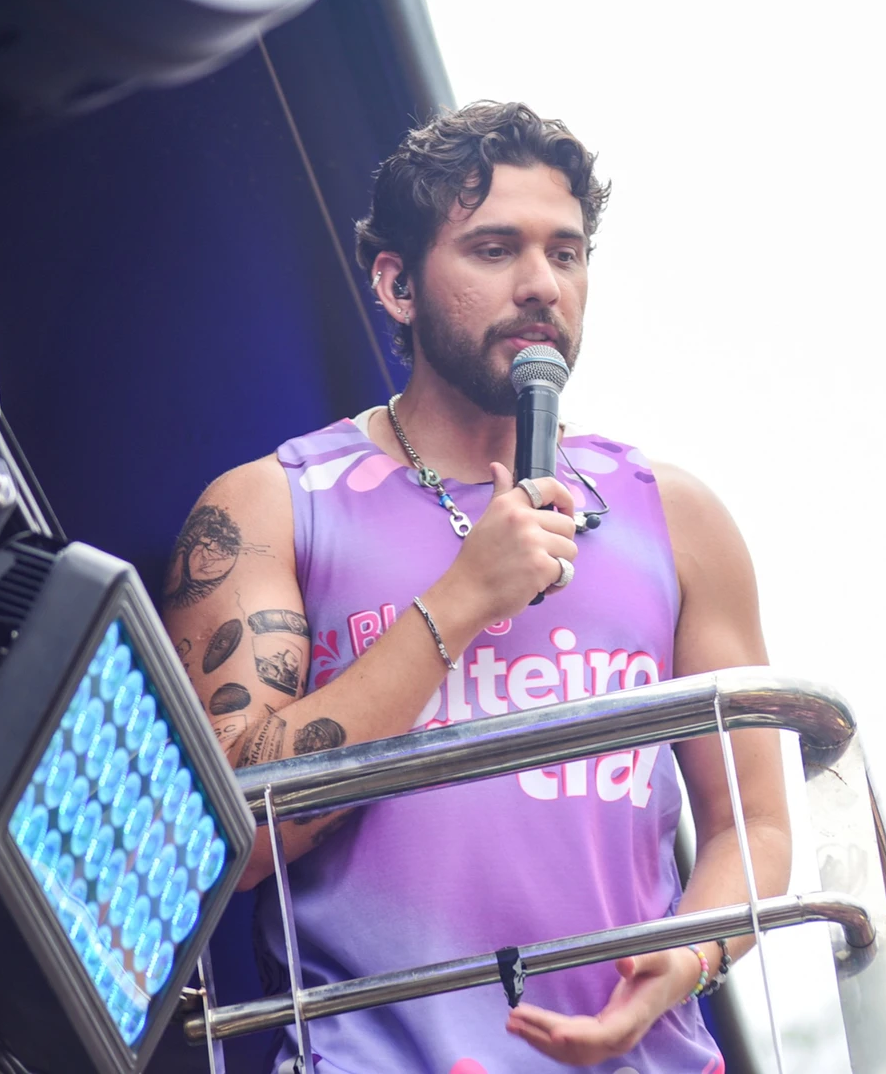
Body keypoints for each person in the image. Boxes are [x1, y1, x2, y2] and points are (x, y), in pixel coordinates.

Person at [162, 101, 791, 1074]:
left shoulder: (676, 515)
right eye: (495, 249)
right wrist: (460, 601)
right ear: (397, 282)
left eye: (567, 253)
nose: (541, 285)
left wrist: (689, 953)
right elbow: (228, 839)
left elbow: (755, 824)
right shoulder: (273, 505)